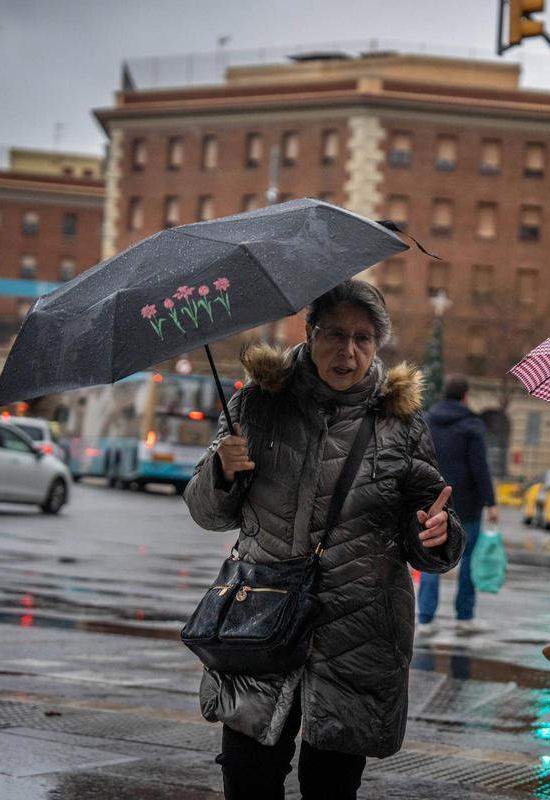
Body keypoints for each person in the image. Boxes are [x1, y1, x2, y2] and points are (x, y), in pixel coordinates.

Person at [184, 279, 465, 800]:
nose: (348, 351)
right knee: (247, 779)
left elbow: (427, 529)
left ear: (377, 345)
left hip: (356, 633)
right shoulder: (256, 405)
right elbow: (207, 513)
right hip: (260, 625)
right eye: (335, 334)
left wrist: (435, 534)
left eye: (362, 338)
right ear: (310, 334)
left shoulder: (401, 423)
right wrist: (222, 472)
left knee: (332, 787)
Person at [417, 375, 499, 635]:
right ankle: (464, 615)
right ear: (466, 396)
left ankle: (426, 617)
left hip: (433, 501)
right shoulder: (472, 425)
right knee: (468, 559)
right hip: (467, 504)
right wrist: (491, 502)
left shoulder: (428, 421)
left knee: (432, 555)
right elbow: (479, 466)